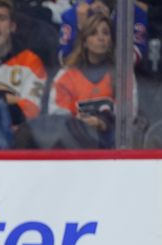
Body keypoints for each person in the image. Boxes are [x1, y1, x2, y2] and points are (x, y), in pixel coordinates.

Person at [49, 13, 122, 148]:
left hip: (112, 147)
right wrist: (82, 124)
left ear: (111, 40)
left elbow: (127, 119)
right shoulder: (66, 75)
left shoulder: (122, 75)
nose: (101, 38)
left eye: (105, 33)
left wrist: (102, 124)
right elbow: (58, 117)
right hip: (76, 144)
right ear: (85, 42)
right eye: (94, 33)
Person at [0, 0, 47, 126]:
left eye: (1, 18)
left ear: (12, 26)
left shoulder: (30, 61)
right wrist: (10, 99)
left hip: (18, 135)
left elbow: (33, 110)